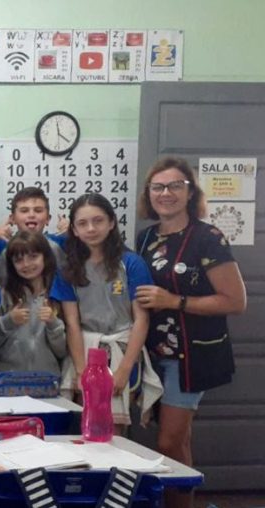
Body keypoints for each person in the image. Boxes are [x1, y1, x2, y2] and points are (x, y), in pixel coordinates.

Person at [134, 157, 246, 508]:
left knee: (168, 444)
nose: (166, 193)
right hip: (153, 354)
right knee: (179, 442)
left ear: (190, 191)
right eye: (158, 187)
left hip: (191, 357)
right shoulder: (146, 236)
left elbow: (235, 301)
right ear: (149, 193)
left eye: (175, 186)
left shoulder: (208, 238)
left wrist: (174, 301)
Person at [51, 193, 162, 428]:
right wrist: (82, 372)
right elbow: (72, 322)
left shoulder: (131, 263)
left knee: (116, 429)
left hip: (121, 348)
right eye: (83, 223)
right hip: (85, 350)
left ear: (111, 223)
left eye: (98, 220)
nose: (91, 228)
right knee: (85, 425)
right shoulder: (68, 268)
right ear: (74, 229)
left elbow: (141, 319)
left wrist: (124, 369)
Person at [0, 231, 66, 375]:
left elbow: (62, 351)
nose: (26, 264)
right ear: (12, 265)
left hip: (47, 380)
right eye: (18, 260)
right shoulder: (6, 294)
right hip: (8, 378)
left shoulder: (57, 295)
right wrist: (9, 321)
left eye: (33, 257)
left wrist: (53, 324)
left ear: (46, 257)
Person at [0, 187, 67, 286]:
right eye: (24, 210)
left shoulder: (59, 244)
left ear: (48, 219)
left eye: (38, 210)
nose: (31, 215)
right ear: (12, 219)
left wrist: (74, 231)